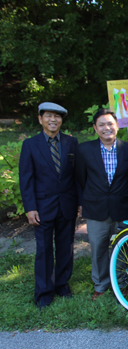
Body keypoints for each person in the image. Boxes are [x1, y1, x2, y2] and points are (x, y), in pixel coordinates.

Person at [19, 102, 78, 309]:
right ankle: (44, 292)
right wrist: (30, 207)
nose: (53, 120)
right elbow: (26, 179)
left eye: (58, 116)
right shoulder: (30, 144)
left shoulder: (71, 143)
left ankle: (62, 285)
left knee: (65, 247)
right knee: (44, 249)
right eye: (49, 116)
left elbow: (76, 176)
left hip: (67, 204)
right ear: (40, 119)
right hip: (42, 207)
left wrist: (78, 202)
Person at [76, 109, 128, 301]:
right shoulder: (84, 150)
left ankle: (122, 283)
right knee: (98, 248)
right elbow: (80, 180)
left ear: (117, 126)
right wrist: (82, 203)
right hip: (96, 208)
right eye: (101, 124)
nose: (106, 128)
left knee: (124, 247)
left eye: (110, 123)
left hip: (122, 207)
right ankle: (100, 285)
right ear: (95, 128)